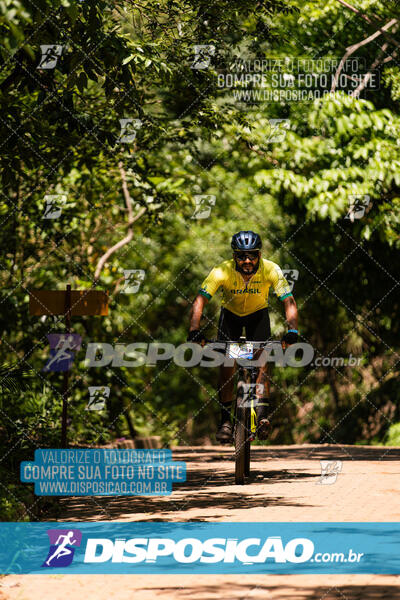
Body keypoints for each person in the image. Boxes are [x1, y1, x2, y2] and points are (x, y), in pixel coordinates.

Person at [188, 230, 298, 442]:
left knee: (261, 360)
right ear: (234, 256)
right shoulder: (222, 271)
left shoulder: (271, 269)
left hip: (258, 317)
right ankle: (225, 421)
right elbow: (201, 299)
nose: (247, 260)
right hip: (231, 317)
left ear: (259, 255)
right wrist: (194, 329)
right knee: (227, 365)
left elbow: (288, 300)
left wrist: (292, 331)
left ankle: (263, 415)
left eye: (252, 255)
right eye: (241, 256)